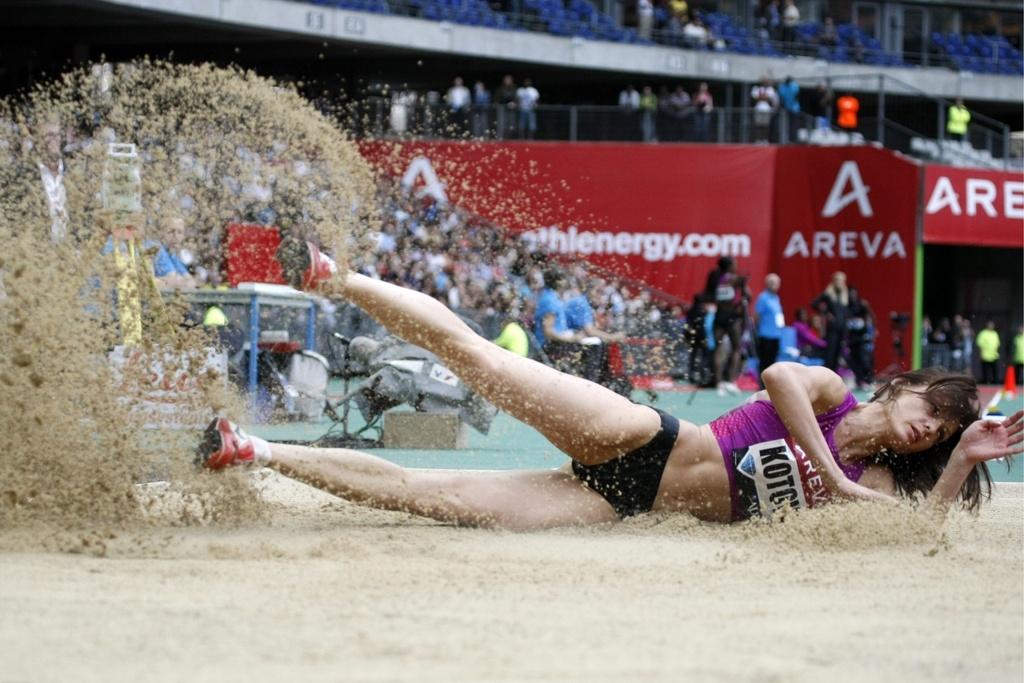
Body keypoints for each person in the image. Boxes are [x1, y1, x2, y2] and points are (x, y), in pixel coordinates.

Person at [197, 248, 1022, 529]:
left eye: (942, 432)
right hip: (646, 437)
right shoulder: (834, 392)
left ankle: (253, 447)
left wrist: (964, 460)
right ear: (908, 385)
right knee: (482, 362)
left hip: (623, 506)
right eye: (935, 412)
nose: (928, 429)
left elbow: (911, 529)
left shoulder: (875, 485)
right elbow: (774, 378)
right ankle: (338, 277)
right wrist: (831, 472)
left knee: (434, 496)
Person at [703, 256, 750, 396]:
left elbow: (709, 296)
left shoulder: (714, 277)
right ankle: (730, 380)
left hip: (719, 316)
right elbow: (747, 295)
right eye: (735, 264)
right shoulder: (735, 278)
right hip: (732, 318)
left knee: (718, 347)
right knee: (736, 348)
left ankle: (718, 383)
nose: (736, 266)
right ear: (729, 266)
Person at [754, 273, 784, 388]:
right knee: (764, 362)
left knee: (773, 362)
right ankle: (762, 385)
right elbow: (757, 315)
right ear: (766, 284)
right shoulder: (763, 297)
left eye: (776, 283)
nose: (774, 285)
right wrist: (757, 330)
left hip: (776, 334)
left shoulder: (776, 298)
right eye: (772, 282)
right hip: (765, 334)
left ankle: (770, 386)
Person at [816, 271, 849, 371]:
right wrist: (826, 313)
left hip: (842, 328)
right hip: (832, 329)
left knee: (838, 354)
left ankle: (834, 375)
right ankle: (827, 374)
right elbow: (814, 303)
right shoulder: (828, 294)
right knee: (830, 353)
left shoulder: (845, 295)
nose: (839, 282)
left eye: (841, 280)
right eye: (837, 280)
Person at [845, 288, 876, 390]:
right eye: (850, 294)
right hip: (852, 339)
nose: (852, 296)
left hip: (863, 338)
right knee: (854, 361)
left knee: (864, 360)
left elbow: (871, 316)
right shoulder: (846, 307)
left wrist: (872, 331)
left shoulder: (862, 304)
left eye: (853, 294)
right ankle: (859, 381)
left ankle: (869, 380)